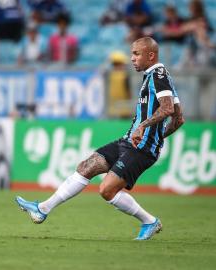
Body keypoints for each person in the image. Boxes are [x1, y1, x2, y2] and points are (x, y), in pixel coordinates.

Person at [15, 37, 185, 240]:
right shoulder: (154, 76)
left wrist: (146, 130)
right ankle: (42, 209)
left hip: (141, 149)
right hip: (129, 141)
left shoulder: (158, 75)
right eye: (132, 53)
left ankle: (149, 221)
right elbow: (179, 119)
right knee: (86, 166)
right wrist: (157, 135)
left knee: (106, 190)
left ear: (151, 55)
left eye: (136, 54)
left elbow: (167, 110)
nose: (132, 58)